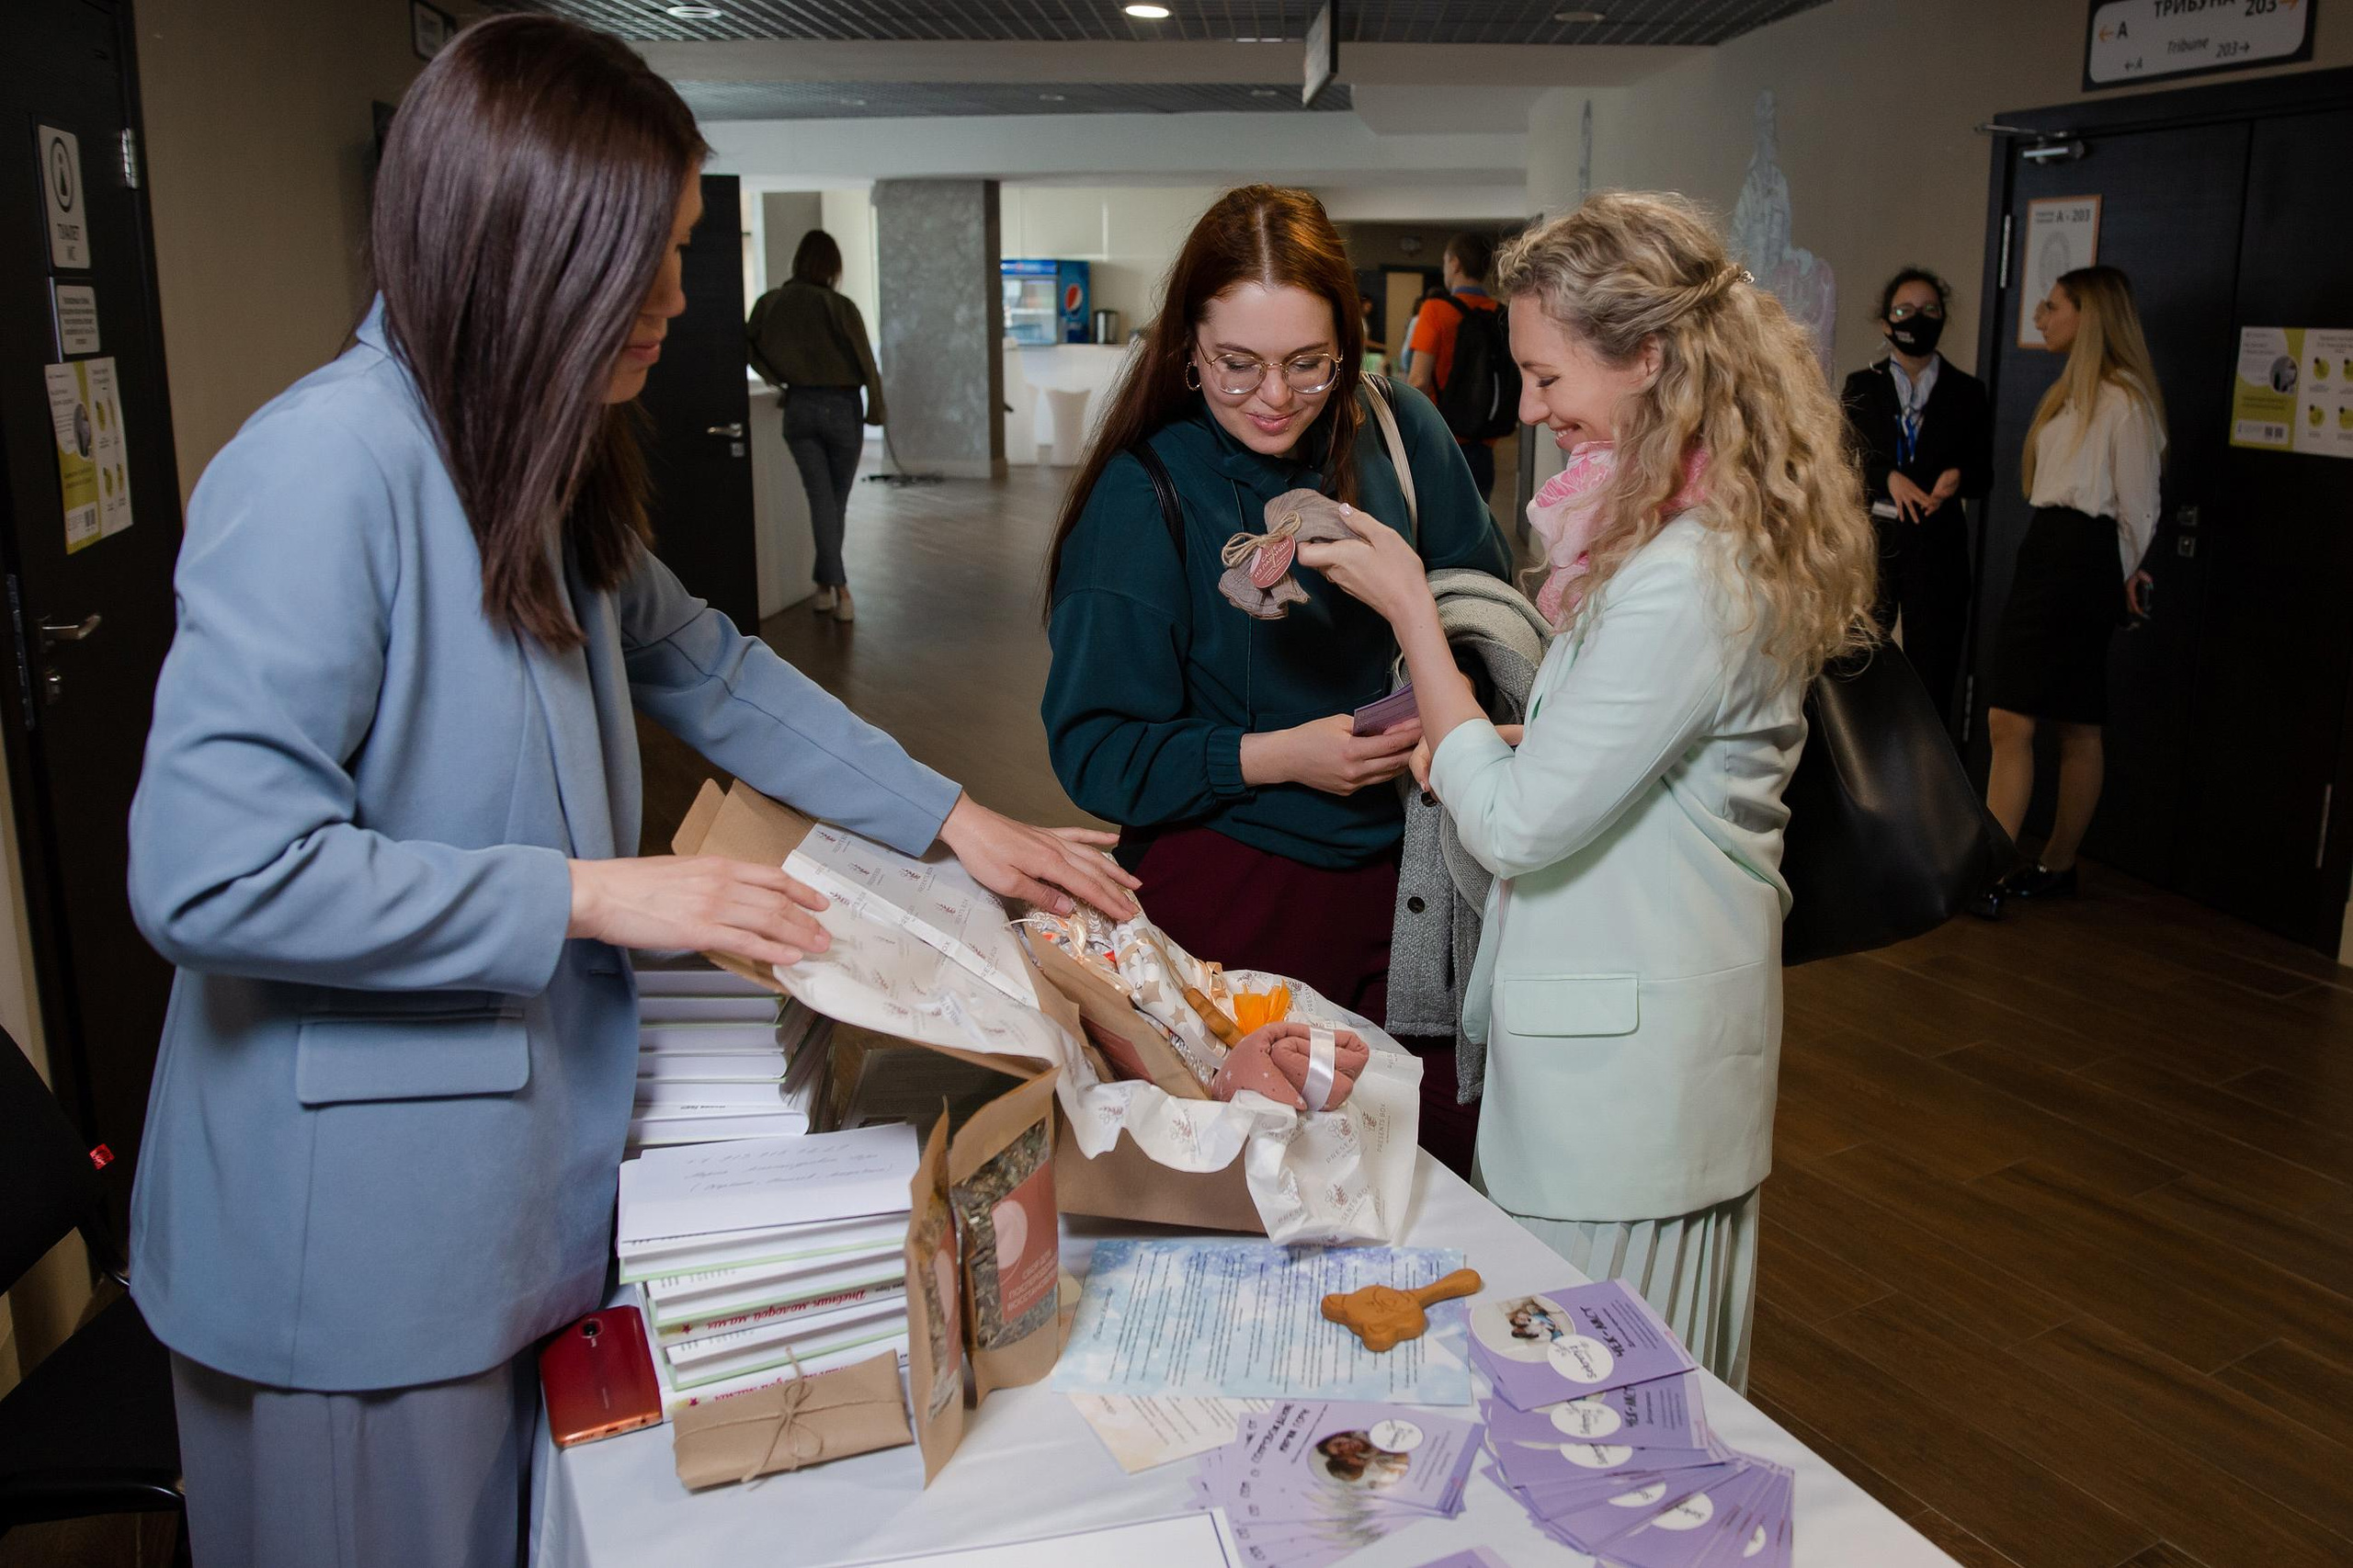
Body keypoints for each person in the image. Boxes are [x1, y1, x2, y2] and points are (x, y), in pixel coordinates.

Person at [123, 20, 1136, 1567]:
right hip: (356, 1243)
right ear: (527, 257)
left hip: (522, 1179)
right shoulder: (326, 469)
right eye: (648, 261)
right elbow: (212, 871)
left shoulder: (531, 451)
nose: (676, 299)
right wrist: (595, 894)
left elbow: (706, 665)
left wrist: (958, 820)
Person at [1300, 192, 1877, 1390]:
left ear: (1647, 356)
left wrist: (1413, 610)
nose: (1530, 409)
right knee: (1612, 1414)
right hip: (1633, 1080)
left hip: (1627, 1102)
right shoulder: (1694, 540)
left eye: (1546, 375)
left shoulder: (1685, 574)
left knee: (1597, 1416)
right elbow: (1642, 759)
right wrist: (1523, 739)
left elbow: (1519, 826)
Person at [1040, 186, 1511, 1029]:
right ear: (1188, 349)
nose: (1275, 397)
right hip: (1237, 894)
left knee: (1429, 1116)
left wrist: (1450, 704)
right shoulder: (1144, 494)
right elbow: (1097, 752)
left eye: (1307, 363)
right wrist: (1277, 757)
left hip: (1426, 878)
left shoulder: (1399, 430)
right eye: (1237, 363)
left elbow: (1485, 612)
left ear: (1348, 342)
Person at [1976, 267, 2165, 913]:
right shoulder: (2066, 395)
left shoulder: (2125, 401)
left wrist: (2116, 577)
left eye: (2054, 306)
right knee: (2022, 718)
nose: (2042, 316)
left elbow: (2140, 510)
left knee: (2063, 721)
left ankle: (2041, 864)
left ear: (2090, 315)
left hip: (2084, 560)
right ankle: (2010, 864)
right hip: (2047, 550)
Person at [1839, 267, 1992, 730]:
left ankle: (1931, 764)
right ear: (1886, 322)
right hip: (1875, 543)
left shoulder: (1967, 392)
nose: (1918, 319)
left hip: (1937, 546)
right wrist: (1888, 478)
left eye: (1929, 310)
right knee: (1858, 660)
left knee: (1934, 670)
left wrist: (1957, 477)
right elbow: (1845, 460)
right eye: (1905, 311)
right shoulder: (1863, 386)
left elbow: (1983, 475)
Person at [746, 227, 887, 622]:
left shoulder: (770, 303)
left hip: (799, 407)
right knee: (833, 502)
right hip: (841, 408)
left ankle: (823, 586)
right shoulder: (840, 306)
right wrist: (876, 411)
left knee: (822, 500)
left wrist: (777, 379)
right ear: (833, 266)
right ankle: (840, 588)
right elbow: (867, 364)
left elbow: (747, 345)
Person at [1407, 233, 1506, 497]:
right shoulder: (1499, 312)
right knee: (1477, 516)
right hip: (1484, 443)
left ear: (1455, 264)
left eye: (1445, 262)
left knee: (1433, 520)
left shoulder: (1435, 309)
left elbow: (1418, 380)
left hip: (1440, 440)